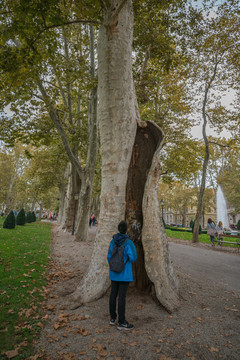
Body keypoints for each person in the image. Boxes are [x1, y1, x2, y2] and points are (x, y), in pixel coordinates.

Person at [107, 220, 137, 330]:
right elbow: (134, 257)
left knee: (113, 295)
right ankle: (122, 322)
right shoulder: (128, 243)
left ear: (118, 228)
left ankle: (112, 318)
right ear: (127, 229)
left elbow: (109, 256)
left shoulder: (112, 241)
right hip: (124, 274)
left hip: (114, 273)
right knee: (122, 297)